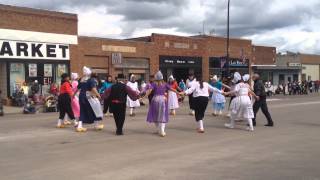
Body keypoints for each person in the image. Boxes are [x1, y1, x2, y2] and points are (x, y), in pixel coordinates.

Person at [144, 71, 179, 137]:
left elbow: (149, 91)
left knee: (155, 115)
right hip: (163, 100)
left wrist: (144, 97)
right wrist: (179, 93)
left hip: (155, 100)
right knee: (163, 115)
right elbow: (172, 89)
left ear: (156, 78)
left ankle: (158, 129)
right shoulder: (165, 84)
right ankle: (162, 131)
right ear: (162, 78)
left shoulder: (154, 84)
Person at [76, 67, 104, 132]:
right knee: (94, 109)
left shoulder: (81, 79)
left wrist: (73, 95)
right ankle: (96, 125)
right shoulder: (91, 80)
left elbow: (77, 88)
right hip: (88, 97)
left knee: (82, 110)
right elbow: (93, 89)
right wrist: (98, 95)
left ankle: (80, 126)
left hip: (81, 96)